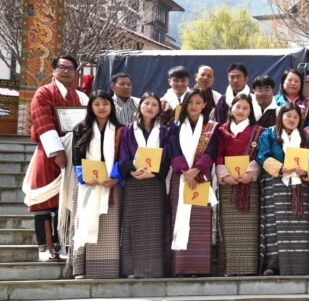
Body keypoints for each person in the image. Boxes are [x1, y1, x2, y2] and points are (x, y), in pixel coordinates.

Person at [25, 55, 88, 261]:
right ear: (53, 71)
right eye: (62, 67)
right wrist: (57, 152)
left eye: (71, 68)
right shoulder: (43, 93)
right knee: (44, 202)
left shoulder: (81, 97)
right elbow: (43, 123)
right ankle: (45, 247)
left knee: (67, 200)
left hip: (74, 153)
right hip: (48, 153)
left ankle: (63, 246)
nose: (67, 71)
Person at [165, 89, 219, 276]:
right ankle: (181, 268)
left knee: (199, 224)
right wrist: (184, 171)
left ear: (204, 105)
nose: (194, 106)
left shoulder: (211, 127)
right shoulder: (175, 125)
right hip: (180, 178)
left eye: (198, 102)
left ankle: (199, 267)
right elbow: (172, 148)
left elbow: (211, 150)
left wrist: (196, 170)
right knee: (179, 219)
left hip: (201, 178)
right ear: (185, 104)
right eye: (190, 102)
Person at [256, 102, 309, 276]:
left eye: (296, 117)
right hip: (275, 182)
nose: (292, 119)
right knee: (274, 225)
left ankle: (300, 267)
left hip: (298, 184)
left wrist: (306, 170)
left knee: (298, 225)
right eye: (288, 115)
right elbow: (262, 155)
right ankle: (273, 266)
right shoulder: (268, 133)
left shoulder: (306, 136)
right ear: (280, 116)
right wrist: (281, 168)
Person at [71, 91, 123, 279]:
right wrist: (84, 176)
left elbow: (122, 157)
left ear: (111, 106)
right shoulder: (81, 128)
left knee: (109, 229)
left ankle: (107, 269)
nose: (102, 107)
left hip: (111, 186)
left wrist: (115, 177)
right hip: (88, 185)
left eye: (105, 104)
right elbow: (76, 157)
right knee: (84, 222)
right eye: (97, 104)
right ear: (91, 107)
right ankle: (81, 269)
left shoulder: (120, 130)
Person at [118, 92, 171, 278]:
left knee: (155, 226)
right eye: (146, 103)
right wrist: (131, 170)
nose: (150, 107)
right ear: (139, 106)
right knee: (132, 224)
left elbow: (167, 155)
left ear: (159, 110)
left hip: (155, 183)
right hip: (134, 181)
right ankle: (131, 269)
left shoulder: (165, 132)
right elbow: (123, 153)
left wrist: (155, 172)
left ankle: (154, 269)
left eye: (154, 105)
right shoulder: (127, 130)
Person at [215, 94, 262, 276]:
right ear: (231, 108)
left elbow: (259, 154)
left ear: (251, 111)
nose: (241, 111)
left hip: (249, 184)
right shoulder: (221, 130)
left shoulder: (258, 131)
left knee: (249, 229)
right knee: (228, 228)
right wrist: (224, 175)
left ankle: (249, 268)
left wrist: (250, 174)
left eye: (245, 108)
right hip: (228, 183)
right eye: (238, 107)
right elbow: (218, 154)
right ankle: (229, 268)